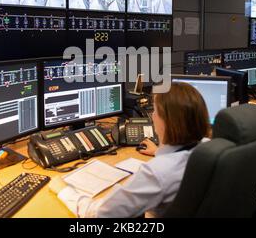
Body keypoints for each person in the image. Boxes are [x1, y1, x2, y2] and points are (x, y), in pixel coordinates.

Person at [50, 82, 211, 218]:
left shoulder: (157, 173)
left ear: (166, 122)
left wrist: (64, 191)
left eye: (155, 111)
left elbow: (99, 214)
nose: (152, 116)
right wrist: (159, 152)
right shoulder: (209, 146)